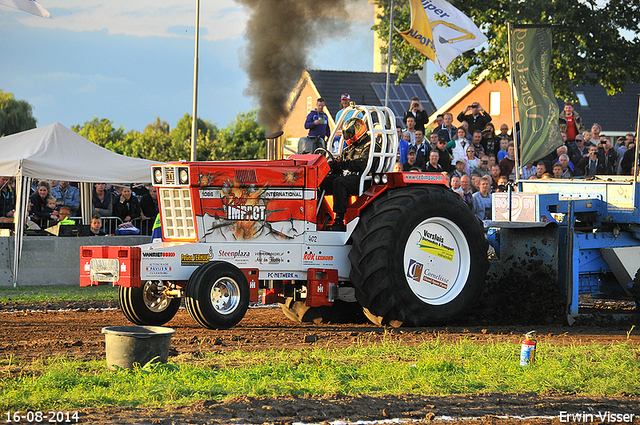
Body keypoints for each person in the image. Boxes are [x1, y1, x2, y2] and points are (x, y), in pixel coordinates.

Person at [320, 117, 372, 231]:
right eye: (346, 133)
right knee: (322, 181)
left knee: (339, 182)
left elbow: (362, 164)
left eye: (350, 133)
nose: (348, 136)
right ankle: (320, 215)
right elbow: (340, 160)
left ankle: (339, 220)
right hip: (348, 176)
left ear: (358, 131)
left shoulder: (370, 146)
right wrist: (333, 165)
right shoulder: (351, 147)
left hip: (362, 178)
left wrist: (343, 164)